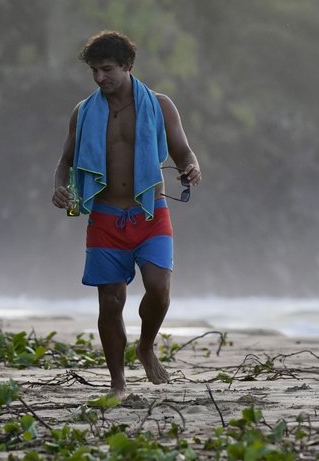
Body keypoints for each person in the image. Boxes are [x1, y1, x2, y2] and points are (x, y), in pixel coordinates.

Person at [52, 31, 201, 398]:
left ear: (127, 66)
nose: (100, 78)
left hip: (150, 211)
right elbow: (65, 162)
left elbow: (183, 151)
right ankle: (118, 384)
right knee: (111, 302)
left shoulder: (160, 105)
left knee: (159, 290)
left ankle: (146, 345)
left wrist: (191, 167)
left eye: (107, 70)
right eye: (94, 72)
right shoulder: (83, 112)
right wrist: (60, 187)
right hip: (104, 215)